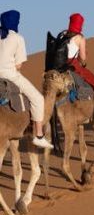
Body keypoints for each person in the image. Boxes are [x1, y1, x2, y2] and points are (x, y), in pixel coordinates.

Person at [0, 10, 53, 149]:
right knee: (37, 99)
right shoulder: (17, 38)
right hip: (10, 74)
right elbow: (18, 65)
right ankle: (39, 135)